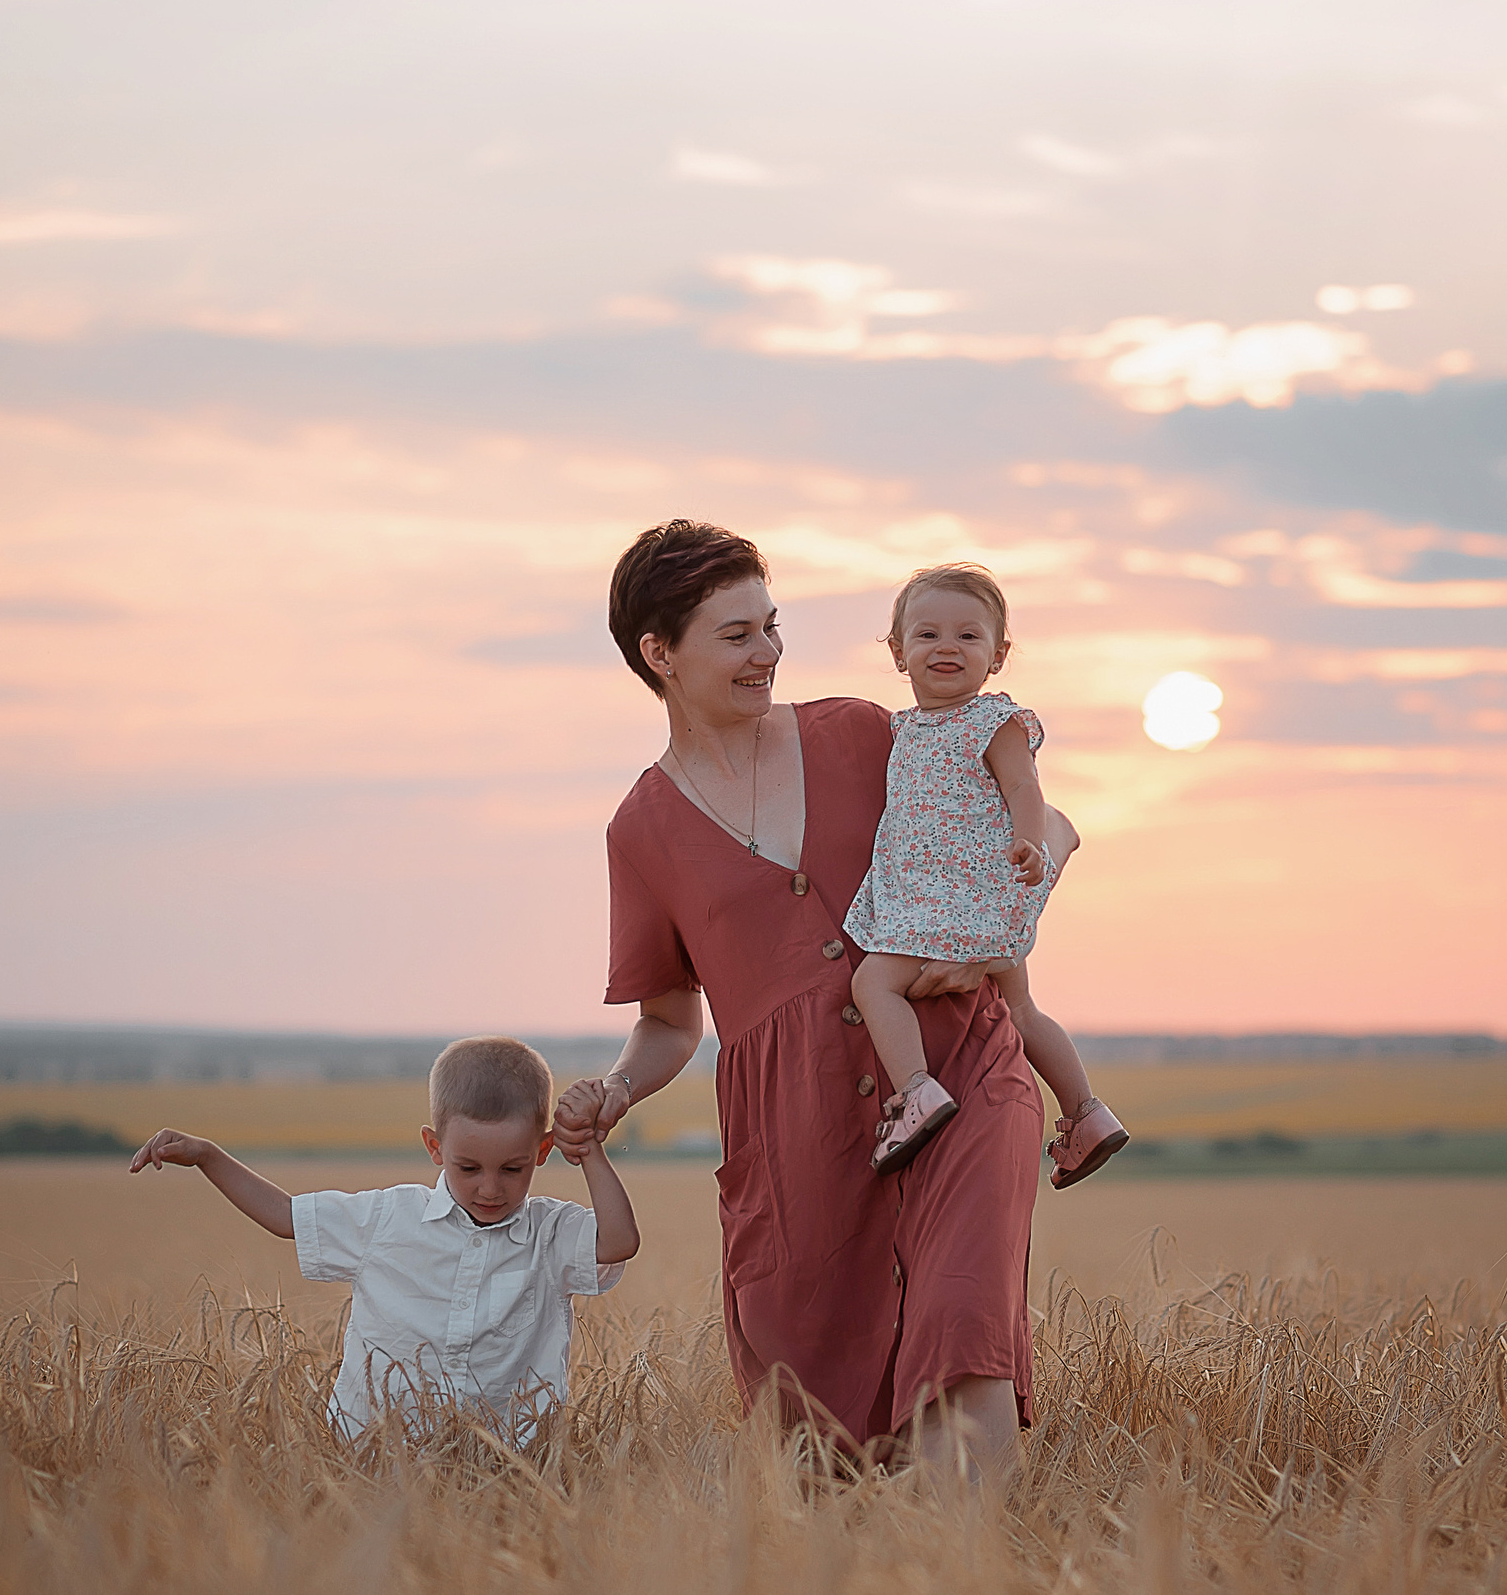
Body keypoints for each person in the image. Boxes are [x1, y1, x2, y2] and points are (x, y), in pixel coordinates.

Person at [551, 518, 1071, 1482]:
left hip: (955, 1070)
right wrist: (615, 1092)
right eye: (737, 635)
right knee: (822, 1436)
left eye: (772, 624)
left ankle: (959, 1565)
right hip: (798, 1135)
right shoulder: (643, 827)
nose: (770, 653)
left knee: (966, 1334)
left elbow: (1054, 825)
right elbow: (669, 1020)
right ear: (659, 655)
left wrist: (994, 935)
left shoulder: (865, 733)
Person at [130, 1034, 637, 1435]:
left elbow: (618, 1243)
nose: (489, 1187)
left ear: (543, 1150)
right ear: (434, 1147)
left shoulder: (548, 1234)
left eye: (512, 1168)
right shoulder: (387, 1219)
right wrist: (207, 1156)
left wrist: (589, 1148)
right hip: (372, 1455)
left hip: (508, 1466)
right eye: (468, 1167)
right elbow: (286, 1217)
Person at [841, 562, 1128, 1184]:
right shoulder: (905, 729)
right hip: (981, 908)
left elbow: (1024, 784)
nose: (948, 647)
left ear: (997, 656)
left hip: (954, 902)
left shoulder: (992, 720)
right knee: (1022, 1009)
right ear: (898, 653)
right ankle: (1085, 1114)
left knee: (873, 986)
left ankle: (914, 1092)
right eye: (928, 635)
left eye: (968, 637)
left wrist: (1029, 842)